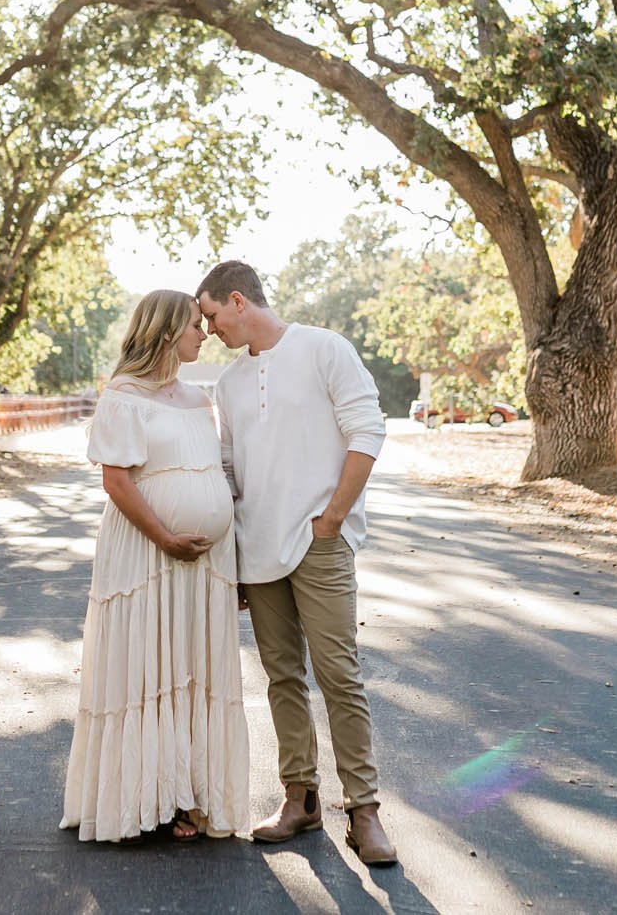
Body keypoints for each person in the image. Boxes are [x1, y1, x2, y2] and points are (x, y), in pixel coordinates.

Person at [199, 260, 398, 866]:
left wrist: (333, 519)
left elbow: (368, 431)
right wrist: (231, 555)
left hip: (320, 542)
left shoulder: (323, 348)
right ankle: (300, 800)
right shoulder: (227, 384)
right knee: (283, 678)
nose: (208, 331)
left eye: (210, 316)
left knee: (339, 674)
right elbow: (230, 472)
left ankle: (363, 809)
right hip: (258, 551)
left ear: (238, 301)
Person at [60, 289, 250, 843]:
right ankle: (145, 798)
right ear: (166, 332)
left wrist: (230, 554)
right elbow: (116, 481)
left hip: (205, 566)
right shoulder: (123, 395)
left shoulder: (199, 398)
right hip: (146, 555)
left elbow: (214, 475)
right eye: (195, 324)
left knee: (193, 670)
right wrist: (166, 536)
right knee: (148, 668)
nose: (204, 332)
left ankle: (188, 794)